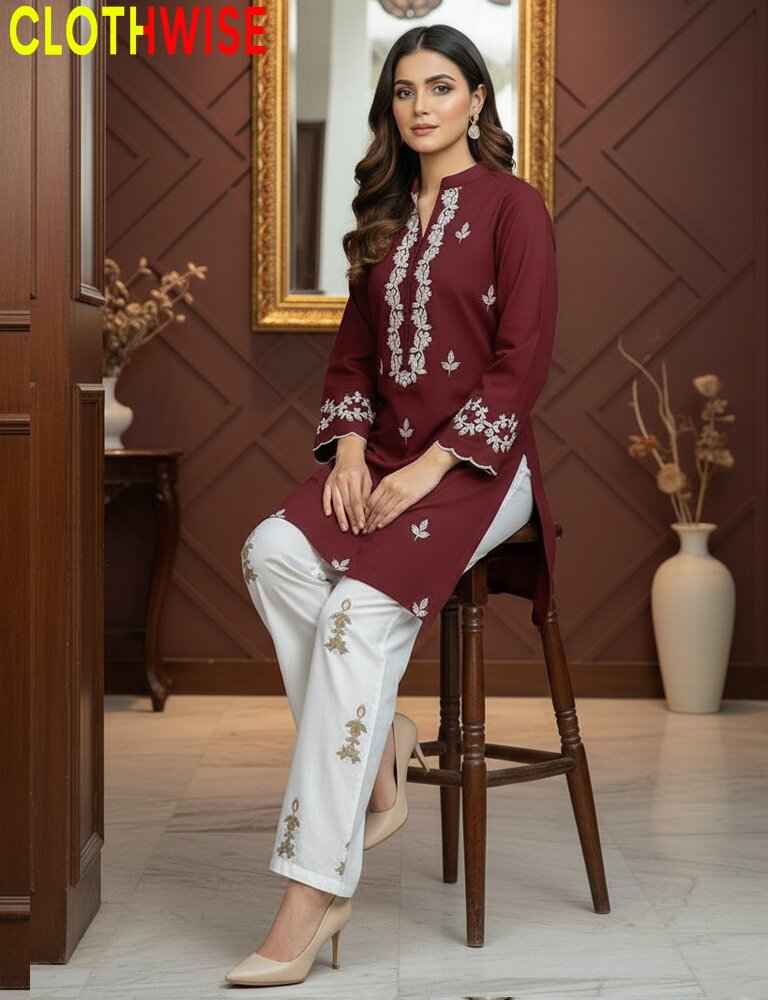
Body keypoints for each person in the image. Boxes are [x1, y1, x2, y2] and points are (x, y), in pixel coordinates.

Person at [226, 22, 558, 987]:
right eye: (405, 90)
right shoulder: (380, 220)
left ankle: (313, 892)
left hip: (484, 470)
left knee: (355, 617)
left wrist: (429, 469)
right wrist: (357, 454)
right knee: (271, 555)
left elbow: (518, 365)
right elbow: (352, 363)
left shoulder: (512, 207)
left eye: (441, 87)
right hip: (389, 457)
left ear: (477, 101)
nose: (421, 106)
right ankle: (384, 749)